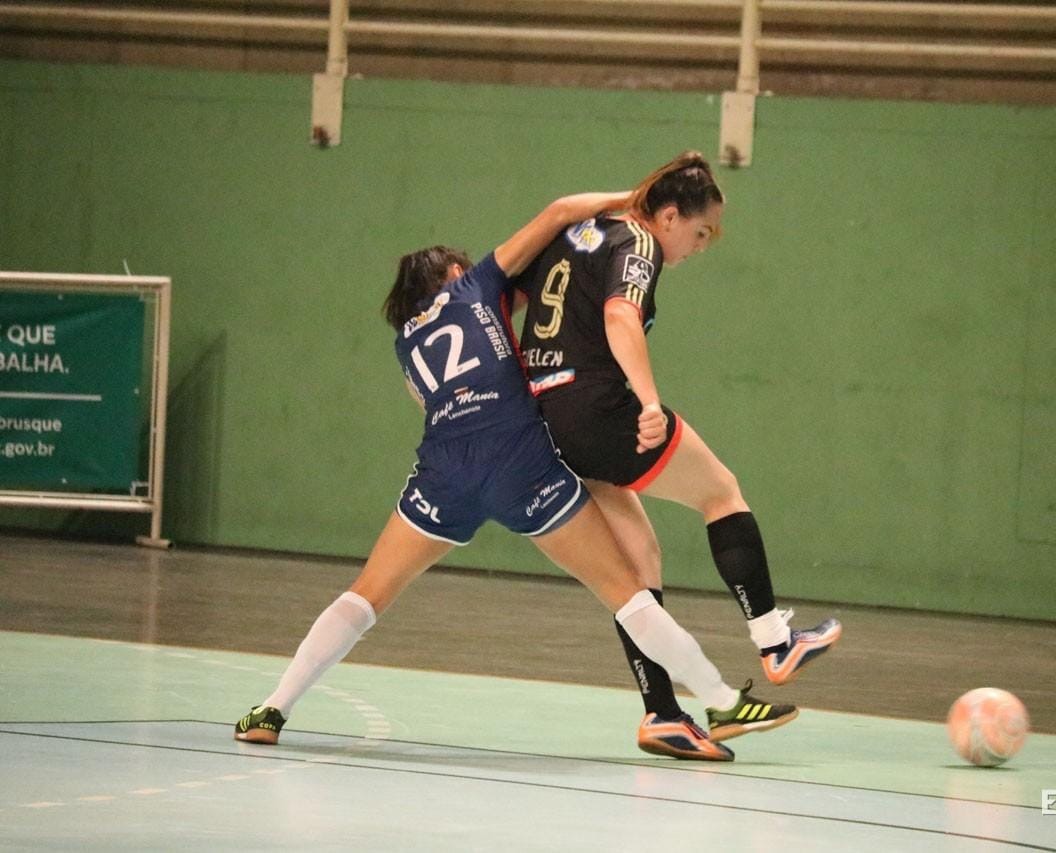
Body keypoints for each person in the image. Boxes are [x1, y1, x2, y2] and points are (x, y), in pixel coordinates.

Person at [234, 189, 798, 760]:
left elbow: (430, 398)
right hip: (520, 466)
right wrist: (635, 199)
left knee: (366, 596)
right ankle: (721, 700)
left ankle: (273, 707)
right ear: (454, 271)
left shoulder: (407, 342)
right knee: (626, 590)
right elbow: (558, 212)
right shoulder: (475, 283)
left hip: (444, 471)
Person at [515, 152, 842, 760]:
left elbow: (517, 297)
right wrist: (648, 402)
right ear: (668, 216)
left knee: (639, 563)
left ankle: (663, 715)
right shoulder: (638, 241)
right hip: (601, 409)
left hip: (548, 415)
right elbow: (620, 315)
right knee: (721, 493)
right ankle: (776, 642)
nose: (702, 244)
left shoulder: (580, 233)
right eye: (700, 232)